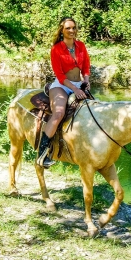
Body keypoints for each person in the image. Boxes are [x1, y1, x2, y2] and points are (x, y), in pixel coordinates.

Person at [37, 17, 91, 168]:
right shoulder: (56, 49)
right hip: (62, 85)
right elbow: (60, 75)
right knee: (59, 113)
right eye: (68, 28)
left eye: (73, 27)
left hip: (79, 84)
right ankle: (43, 154)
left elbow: (86, 66)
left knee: (95, 111)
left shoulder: (81, 46)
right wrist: (74, 89)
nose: (72, 31)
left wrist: (86, 81)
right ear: (62, 30)